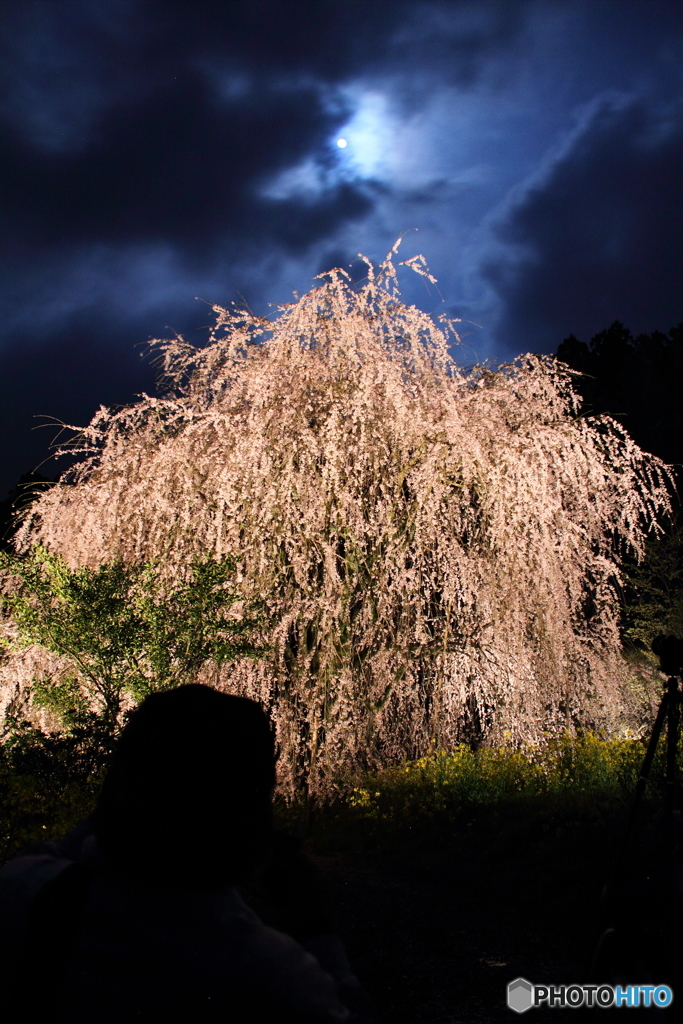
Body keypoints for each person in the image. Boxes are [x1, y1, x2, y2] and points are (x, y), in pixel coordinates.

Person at [0, 684, 376, 1023]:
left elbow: (45, 856)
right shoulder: (264, 971)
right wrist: (315, 927)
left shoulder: (26, 894)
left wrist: (116, 807)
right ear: (242, 818)